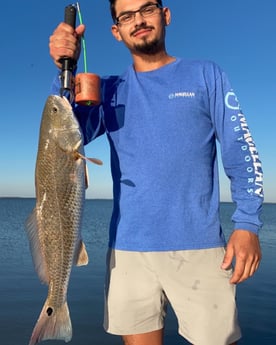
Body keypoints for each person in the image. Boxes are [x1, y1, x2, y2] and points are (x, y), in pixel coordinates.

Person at [49, 1, 264, 344]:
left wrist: (248, 223)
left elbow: (240, 151)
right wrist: (64, 67)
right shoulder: (107, 91)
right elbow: (65, 134)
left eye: (146, 9)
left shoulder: (206, 75)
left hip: (201, 248)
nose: (138, 21)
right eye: (127, 16)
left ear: (165, 16)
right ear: (116, 32)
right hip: (128, 252)